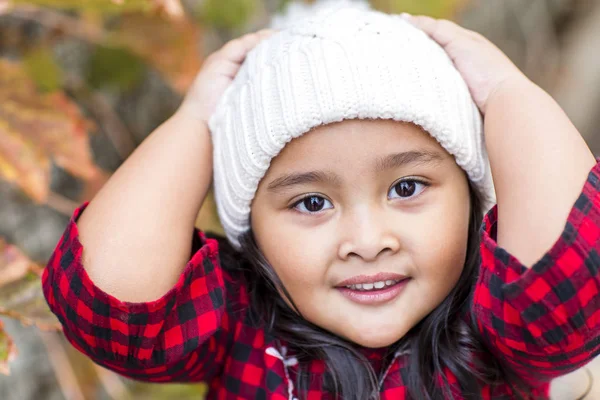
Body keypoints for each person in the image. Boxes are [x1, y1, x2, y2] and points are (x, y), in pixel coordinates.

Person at [42, 1, 600, 399]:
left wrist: (508, 93)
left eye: (407, 188)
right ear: (252, 230)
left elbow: (573, 284)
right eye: (311, 203)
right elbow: (105, 311)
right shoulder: (239, 318)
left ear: (471, 198)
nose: (366, 242)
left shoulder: (492, 329)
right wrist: (195, 123)